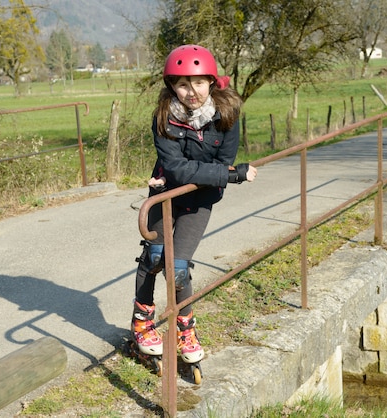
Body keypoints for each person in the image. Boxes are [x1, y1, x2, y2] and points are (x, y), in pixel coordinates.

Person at [131, 44, 257, 368]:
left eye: (199, 83)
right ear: (171, 84)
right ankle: (142, 323)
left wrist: (225, 173)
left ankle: (185, 329)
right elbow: (177, 169)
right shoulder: (163, 118)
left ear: (212, 82)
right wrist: (231, 175)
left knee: (179, 267)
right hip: (165, 192)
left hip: (199, 199)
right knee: (155, 256)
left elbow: (222, 161)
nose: (192, 92)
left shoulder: (227, 116)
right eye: (183, 84)